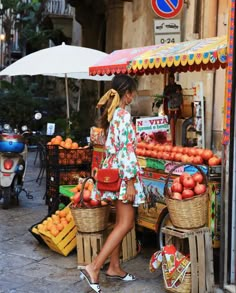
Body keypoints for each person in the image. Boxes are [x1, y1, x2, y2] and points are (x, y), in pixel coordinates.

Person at [80, 74, 145, 293]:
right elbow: (126, 152)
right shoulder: (124, 115)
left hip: (112, 174)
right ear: (128, 94)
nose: (134, 95)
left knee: (119, 221)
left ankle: (114, 267)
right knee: (126, 223)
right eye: (133, 91)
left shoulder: (113, 113)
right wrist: (131, 182)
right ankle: (94, 267)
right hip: (122, 175)